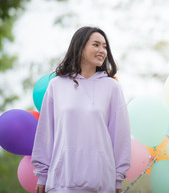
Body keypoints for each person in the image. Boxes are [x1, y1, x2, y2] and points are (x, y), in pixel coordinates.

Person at [31, 26, 131, 193]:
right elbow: (45, 133)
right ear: (80, 47)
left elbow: (120, 135)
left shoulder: (112, 87)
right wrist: (42, 175)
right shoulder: (56, 85)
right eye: (96, 45)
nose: (102, 51)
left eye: (105, 46)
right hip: (61, 181)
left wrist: (118, 178)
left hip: (101, 182)